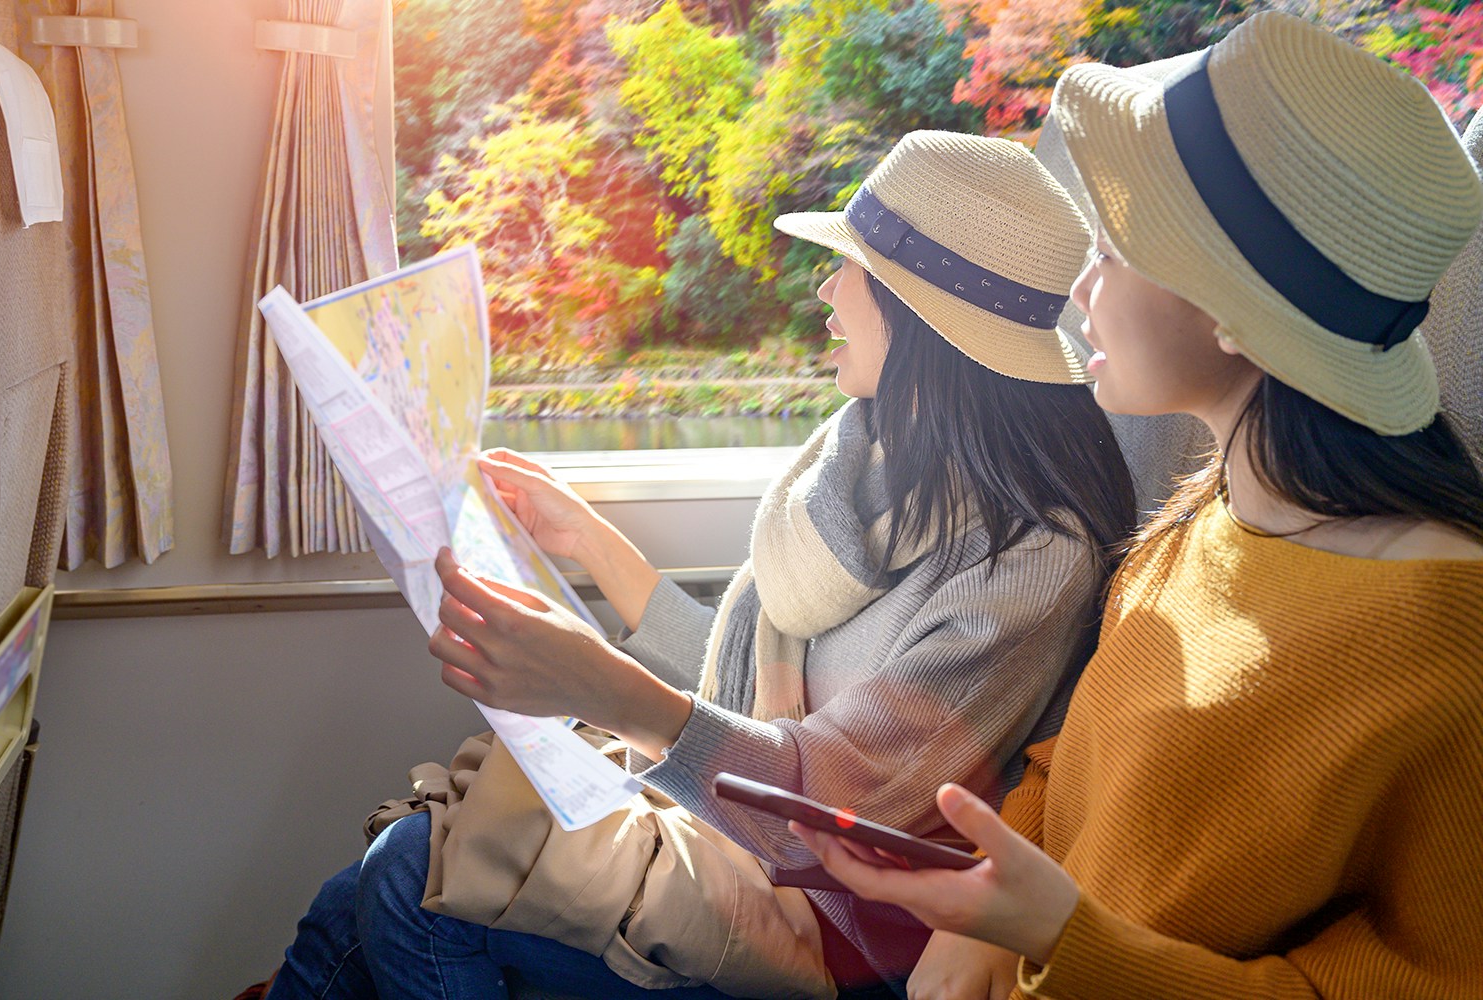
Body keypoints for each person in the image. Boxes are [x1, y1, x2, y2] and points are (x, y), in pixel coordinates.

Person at [260, 131, 1137, 1000]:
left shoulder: (1029, 563)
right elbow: (749, 696)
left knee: (413, 874)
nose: (825, 290)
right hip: (743, 841)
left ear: (922, 317)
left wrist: (610, 691)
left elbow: (832, 806)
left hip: (837, 916)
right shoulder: (860, 463)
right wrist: (594, 545)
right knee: (358, 891)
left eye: (851, 268)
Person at [791, 13, 1483, 1000]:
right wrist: (986, 918)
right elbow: (1067, 772)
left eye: (1115, 250)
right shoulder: (1191, 529)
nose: (1080, 290)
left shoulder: (1444, 644)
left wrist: (1055, 937)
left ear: (1234, 311)